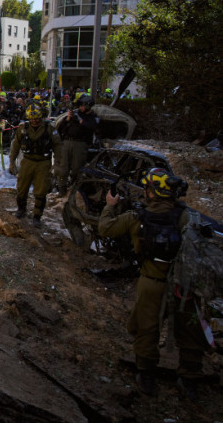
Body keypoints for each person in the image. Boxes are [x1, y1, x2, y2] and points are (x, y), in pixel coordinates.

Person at [99, 168, 207, 398]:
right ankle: (189, 379)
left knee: (147, 328)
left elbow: (105, 228)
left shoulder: (137, 217)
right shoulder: (185, 217)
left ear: (152, 193)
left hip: (151, 282)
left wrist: (110, 206)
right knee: (190, 332)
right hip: (183, 285)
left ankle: (146, 376)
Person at [9, 104, 61, 226]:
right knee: (21, 188)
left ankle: (37, 215)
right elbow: (15, 146)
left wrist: (57, 164)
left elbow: (58, 146)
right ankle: (21, 209)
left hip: (43, 162)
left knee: (41, 190)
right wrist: (12, 162)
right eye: (32, 119)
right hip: (27, 161)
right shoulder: (23, 128)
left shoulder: (49, 128)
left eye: (37, 118)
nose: (34, 121)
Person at [55, 94, 99, 194]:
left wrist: (80, 120)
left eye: (82, 106)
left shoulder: (92, 117)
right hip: (67, 142)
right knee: (63, 169)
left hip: (80, 144)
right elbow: (61, 129)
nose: (80, 108)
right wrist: (67, 119)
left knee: (77, 169)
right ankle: (61, 189)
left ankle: (74, 189)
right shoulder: (75, 114)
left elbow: (92, 127)